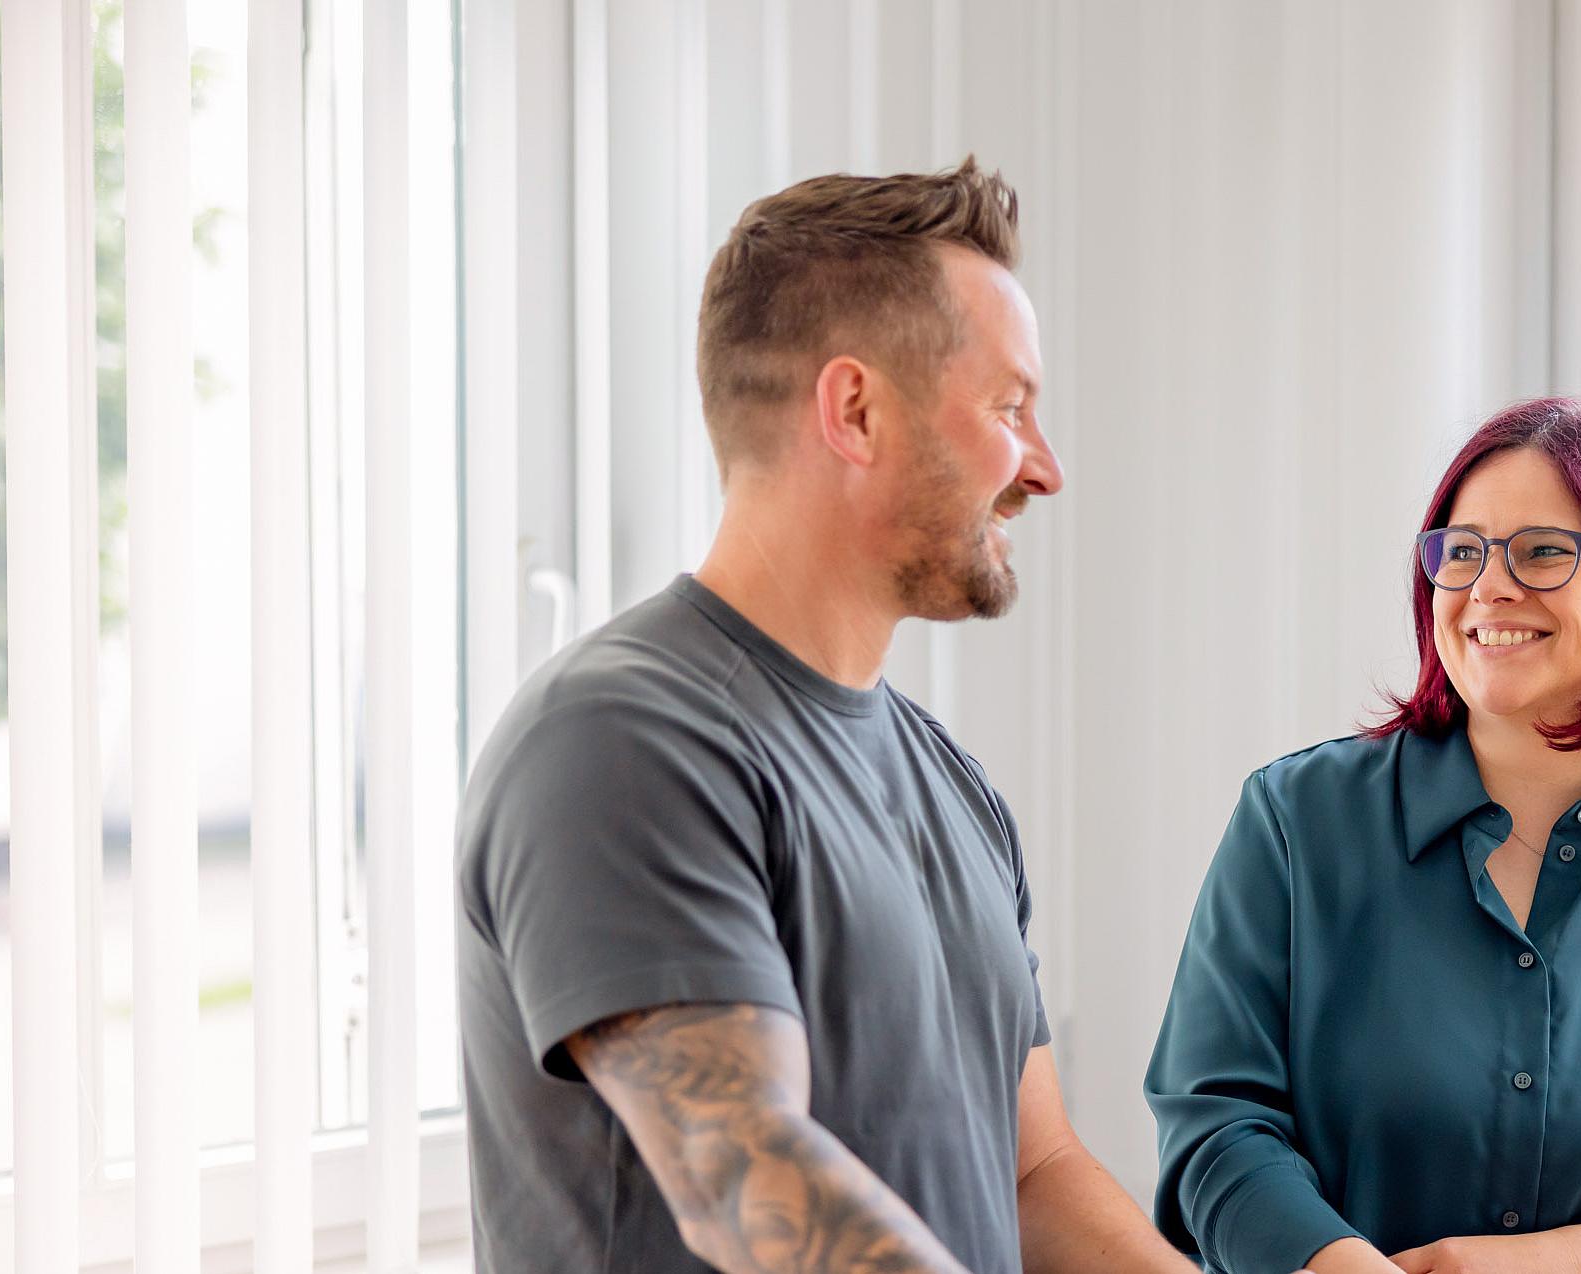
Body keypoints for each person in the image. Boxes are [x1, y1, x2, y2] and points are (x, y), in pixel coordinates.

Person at [457, 160, 1194, 1274]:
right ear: (853, 409)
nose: (1041, 468)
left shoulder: (948, 781)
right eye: (1007, 408)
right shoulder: (619, 741)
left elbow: (1032, 1174)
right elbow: (744, 1176)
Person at [1145, 398, 1581, 1274]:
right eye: (1462, 551)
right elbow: (1216, 1126)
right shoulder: (1294, 822)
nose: (1488, 586)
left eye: (1542, 551)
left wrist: (1567, 1263)